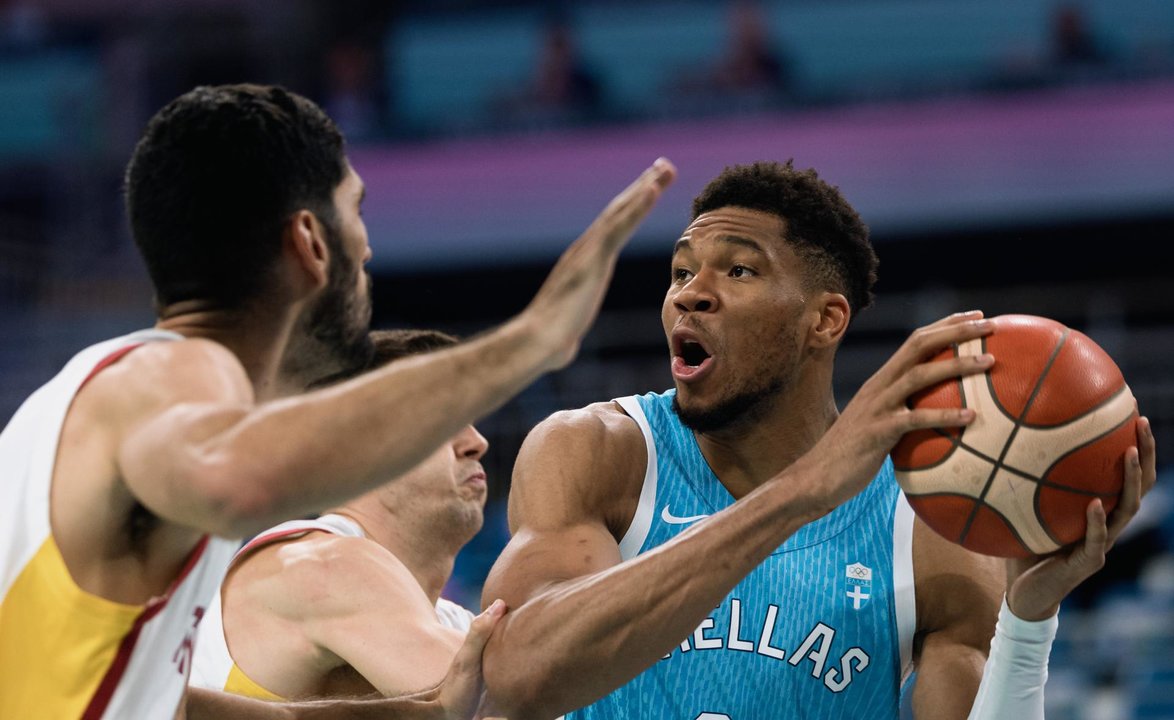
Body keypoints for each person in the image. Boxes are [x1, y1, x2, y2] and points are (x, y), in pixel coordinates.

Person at [0, 82, 676, 719]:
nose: (369, 245)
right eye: (356, 210)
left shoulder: (76, 405)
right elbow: (237, 479)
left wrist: (419, 713)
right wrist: (529, 343)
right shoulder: (175, 375)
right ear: (310, 242)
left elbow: (161, 702)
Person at [478, 160, 1157, 719]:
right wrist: (801, 492)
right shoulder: (603, 453)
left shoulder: (922, 527)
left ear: (825, 321)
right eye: (682, 272)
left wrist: (1028, 618)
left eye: (738, 271)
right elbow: (513, 674)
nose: (690, 294)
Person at [192, 329, 493, 700]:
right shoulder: (316, 565)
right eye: (443, 421)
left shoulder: (454, 624)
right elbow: (488, 708)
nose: (477, 442)